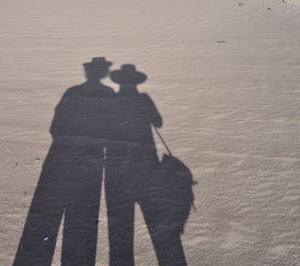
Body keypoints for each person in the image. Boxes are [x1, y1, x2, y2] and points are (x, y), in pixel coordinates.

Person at [13, 57, 115, 266]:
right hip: (89, 160)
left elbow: (55, 128)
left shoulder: (73, 91)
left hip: (64, 157)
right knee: (83, 217)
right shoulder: (107, 94)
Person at [106, 64, 192, 266]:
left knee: (121, 226)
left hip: (119, 164)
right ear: (135, 82)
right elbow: (159, 123)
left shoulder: (113, 100)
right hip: (146, 161)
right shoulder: (143, 99)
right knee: (156, 219)